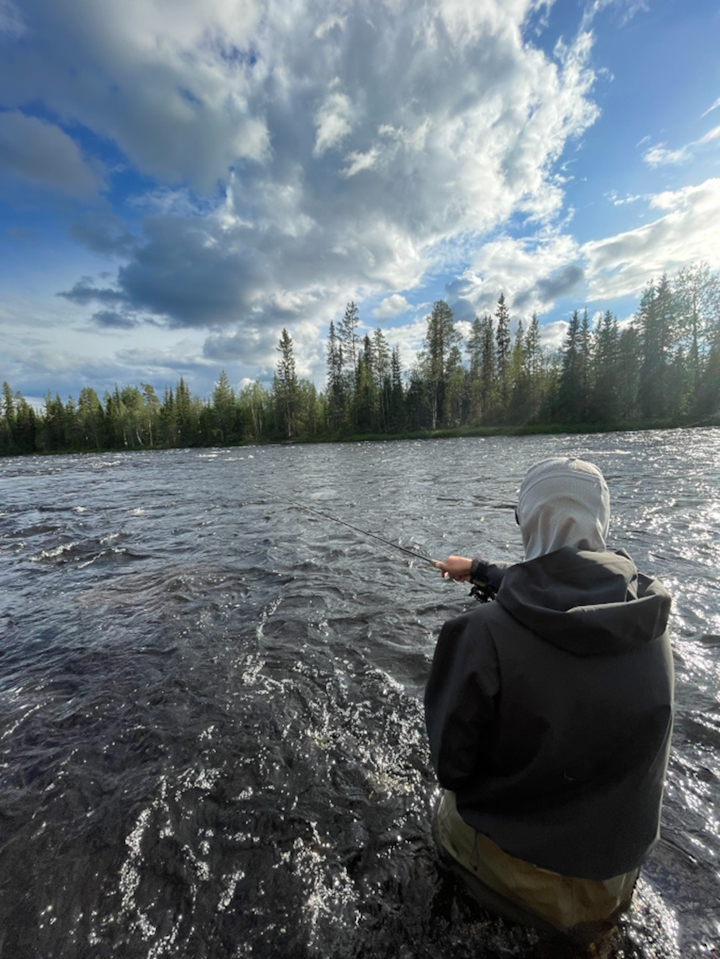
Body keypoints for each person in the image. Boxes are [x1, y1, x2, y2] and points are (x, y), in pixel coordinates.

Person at [425, 457, 674, 944]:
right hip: (614, 881)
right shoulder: (651, 618)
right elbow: (569, 600)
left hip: (513, 880)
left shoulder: (479, 636)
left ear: (528, 521)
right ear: (600, 522)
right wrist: (477, 570)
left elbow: (451, 768)